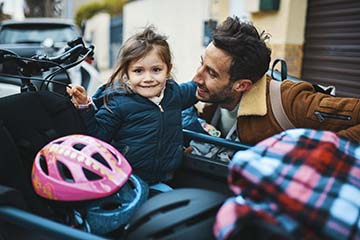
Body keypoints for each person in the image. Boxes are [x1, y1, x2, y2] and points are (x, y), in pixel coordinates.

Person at [191, 16, 360, 145]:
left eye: (211, 73)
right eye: (201, 64)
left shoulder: (291, 102)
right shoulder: (213, 97)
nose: (196, 78)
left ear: (242, 85)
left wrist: (317, 154)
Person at [67, 26, 197, 184]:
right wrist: (84, 107)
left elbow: (197, 89)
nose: (148, 78)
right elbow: (98, 136)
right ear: (127, 73)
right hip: (129, 181)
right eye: (138, 71)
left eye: (156, 70)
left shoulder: (173, 93)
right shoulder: (119, 103)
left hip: (167, 177)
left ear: (168, 70)